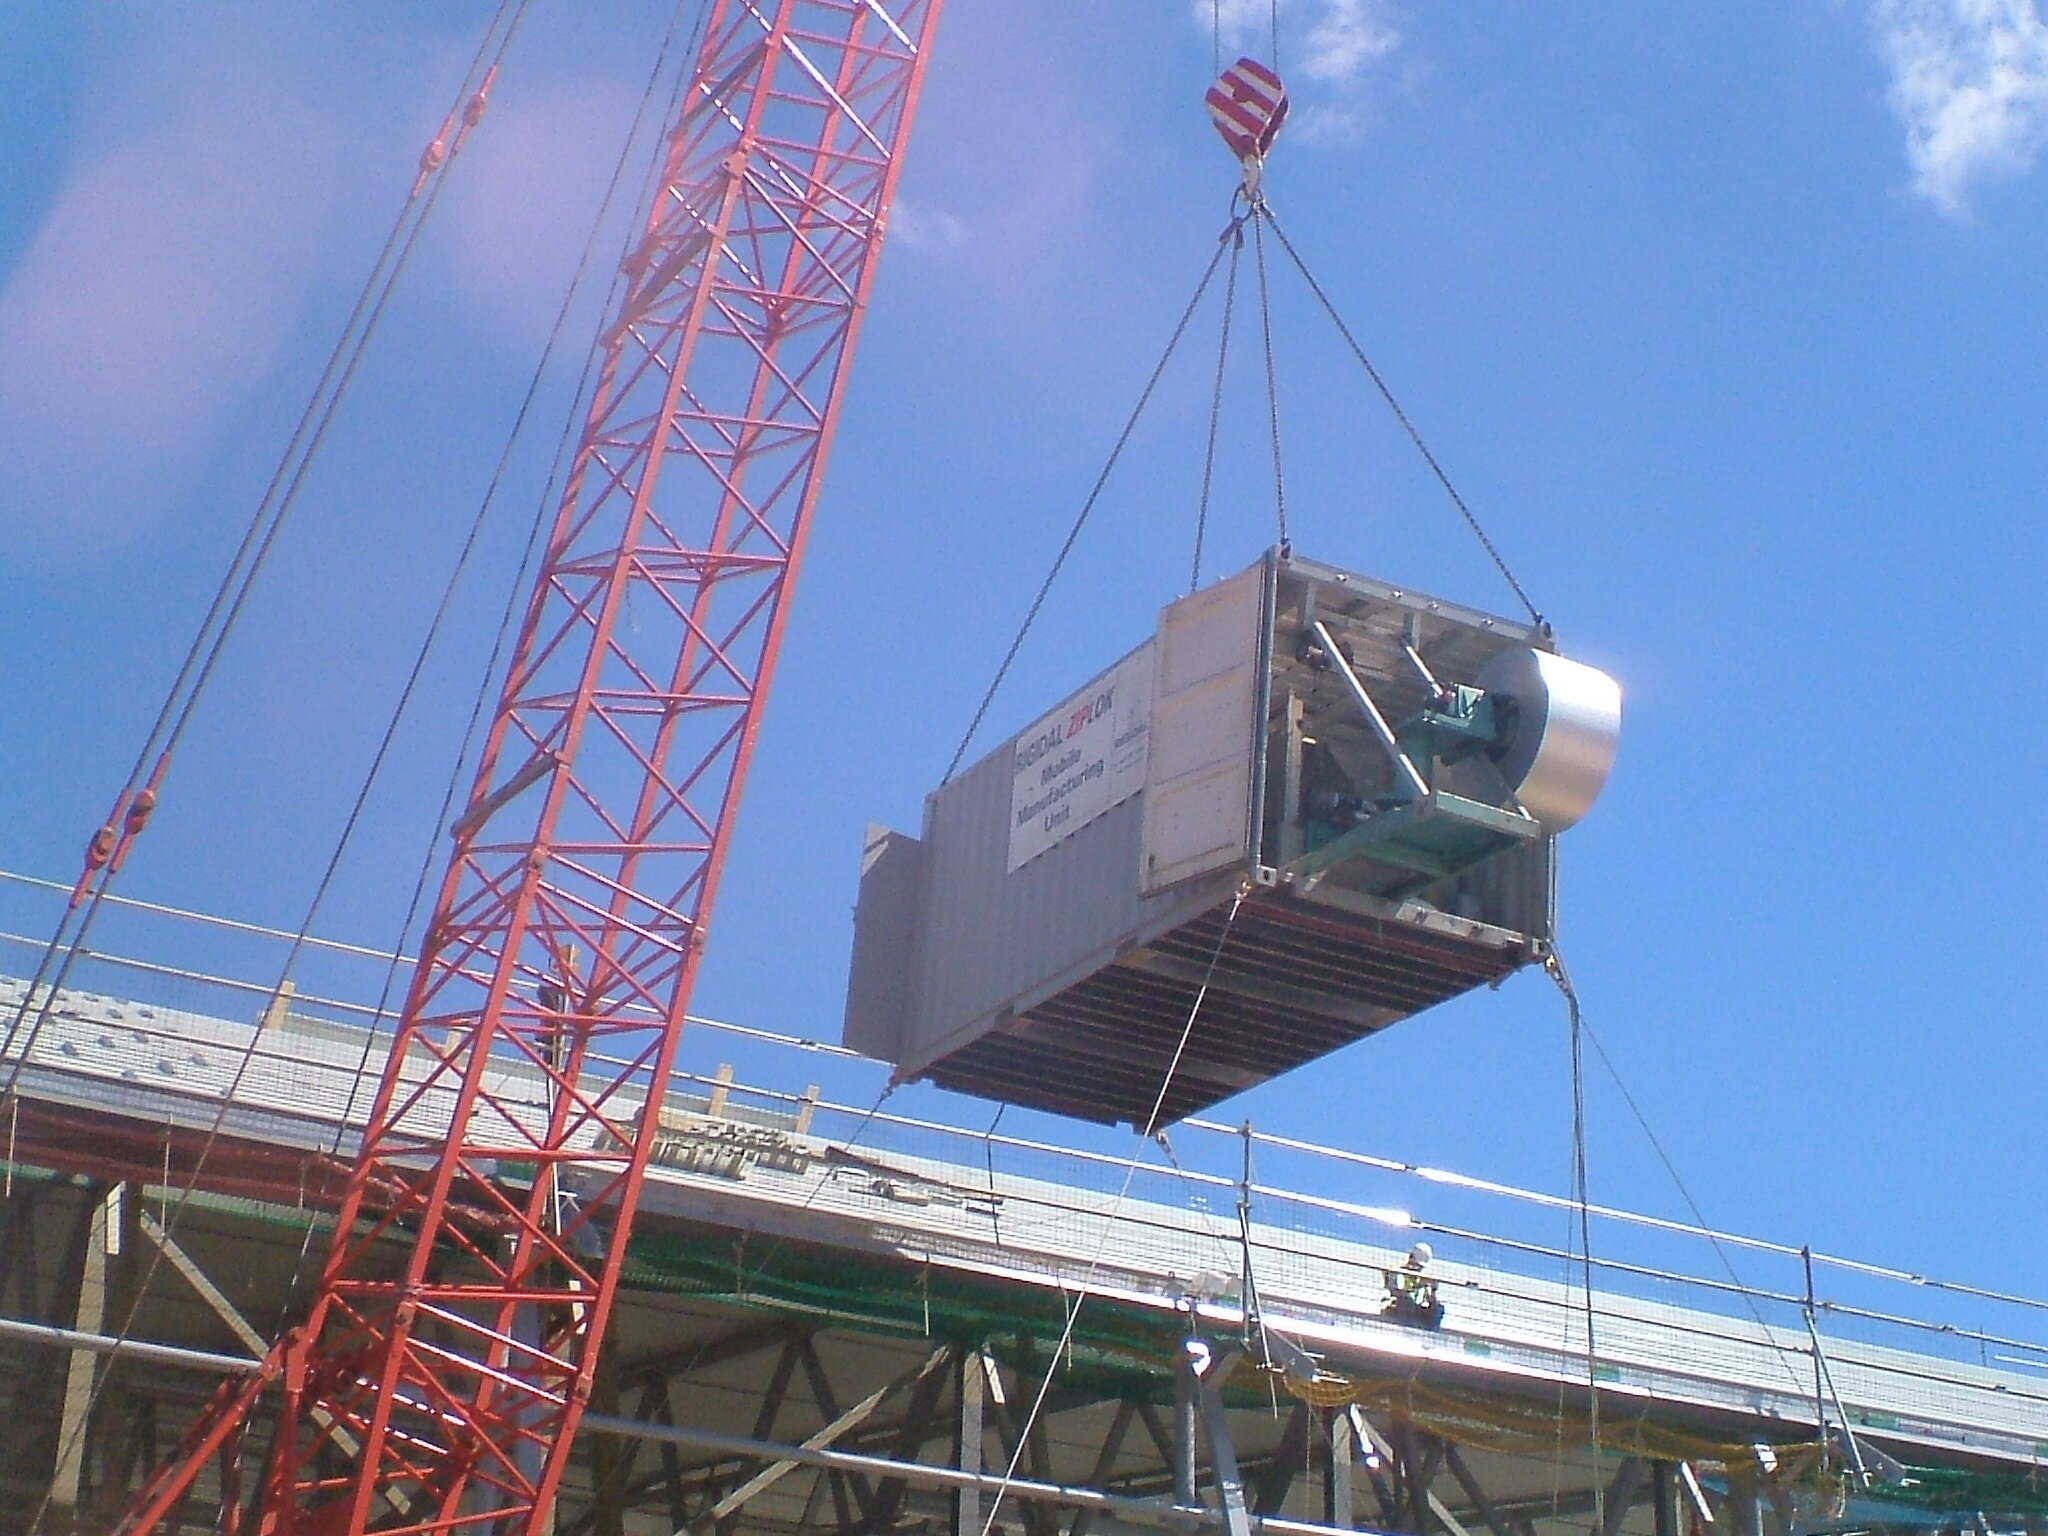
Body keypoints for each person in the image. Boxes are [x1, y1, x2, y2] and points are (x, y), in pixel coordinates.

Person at [1382, 1242, 1445, 1330]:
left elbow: (1429, 1300)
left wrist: (1433, 1290)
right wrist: (1417, 1286)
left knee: (1438, 1309)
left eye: (1421, 1267)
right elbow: (1397, 1292)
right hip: (1395, 1307)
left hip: (1414, 1311)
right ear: (1411, 1258)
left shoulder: (1423, 1279)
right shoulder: (1395, 1272)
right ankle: (1404, 1331)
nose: (1419, 1269)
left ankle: (1430, 1334)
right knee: (1407, 1302)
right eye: (1417, 1265)